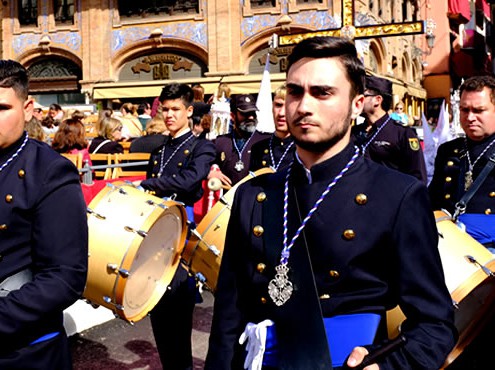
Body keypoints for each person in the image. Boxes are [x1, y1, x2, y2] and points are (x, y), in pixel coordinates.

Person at [205, 36, 456, 370]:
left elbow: (435, 324)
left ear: (357, 103)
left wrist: (387, 366)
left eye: (322, 92)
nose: (304, 106)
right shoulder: (253, 194)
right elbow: (228, 315)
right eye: (295, 91)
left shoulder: (397, 195)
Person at [0, 59, 88, 368]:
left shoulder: (50, 171)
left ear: (27, 108)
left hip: (24, 349)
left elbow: (65, 277)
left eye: (2, 108)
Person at [134, 83, 216, 370]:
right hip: (156, 239)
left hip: (182, 239)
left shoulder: (202, 147)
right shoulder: (158, 151)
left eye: (175, 110)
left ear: (189, 111)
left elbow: (190, 181)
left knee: (179, 321)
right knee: (157, 315)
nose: (168, 115)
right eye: (164, 109)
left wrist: (147, 184)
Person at [429, 75, 495, 250]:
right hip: (450, 245)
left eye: (479, 110)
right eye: (465, 110)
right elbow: (433, 200)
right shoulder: (448, 150)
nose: (470, 117)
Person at [352, 75, 427, 183]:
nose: (357, 100)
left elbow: (418, 177)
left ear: (377, 100)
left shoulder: (402, 133)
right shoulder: (354, 132)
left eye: (363, 95)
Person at [209, 94, 270, 187]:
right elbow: (200, 163)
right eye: (245, 114)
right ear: (233, 116)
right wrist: (210, 172)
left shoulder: (266, 141)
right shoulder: (221, 142)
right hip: (227, 199)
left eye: (253, 113)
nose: (251, 118)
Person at [250, 84, 295, 172]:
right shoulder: (258, 148)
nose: (281, 113)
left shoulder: (304, 148)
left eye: (287, 106)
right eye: (278, 105)